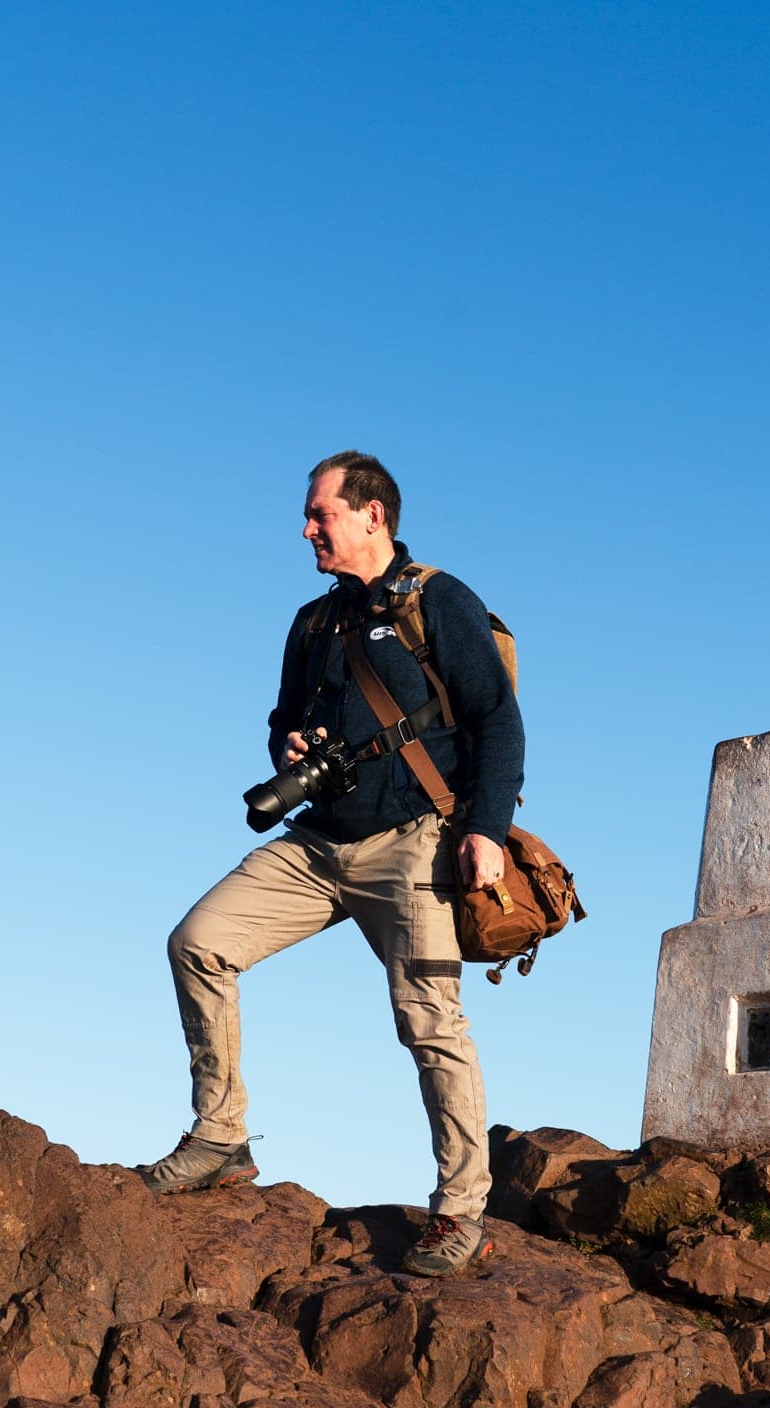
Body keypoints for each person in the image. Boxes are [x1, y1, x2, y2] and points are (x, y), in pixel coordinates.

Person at [137, 450, 525, 1277]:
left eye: (322, 514)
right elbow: (283, 715)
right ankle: (220, 1136)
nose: (308, 528)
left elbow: (499, 720)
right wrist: (289, 741)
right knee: (197, 942)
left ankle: (460, 1210)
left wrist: (485, 827)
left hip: (415, 840)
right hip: (318, 845)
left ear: (372, 514)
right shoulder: (312, 624)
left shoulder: (439, 600)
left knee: (430, 1020)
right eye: (310, 516)